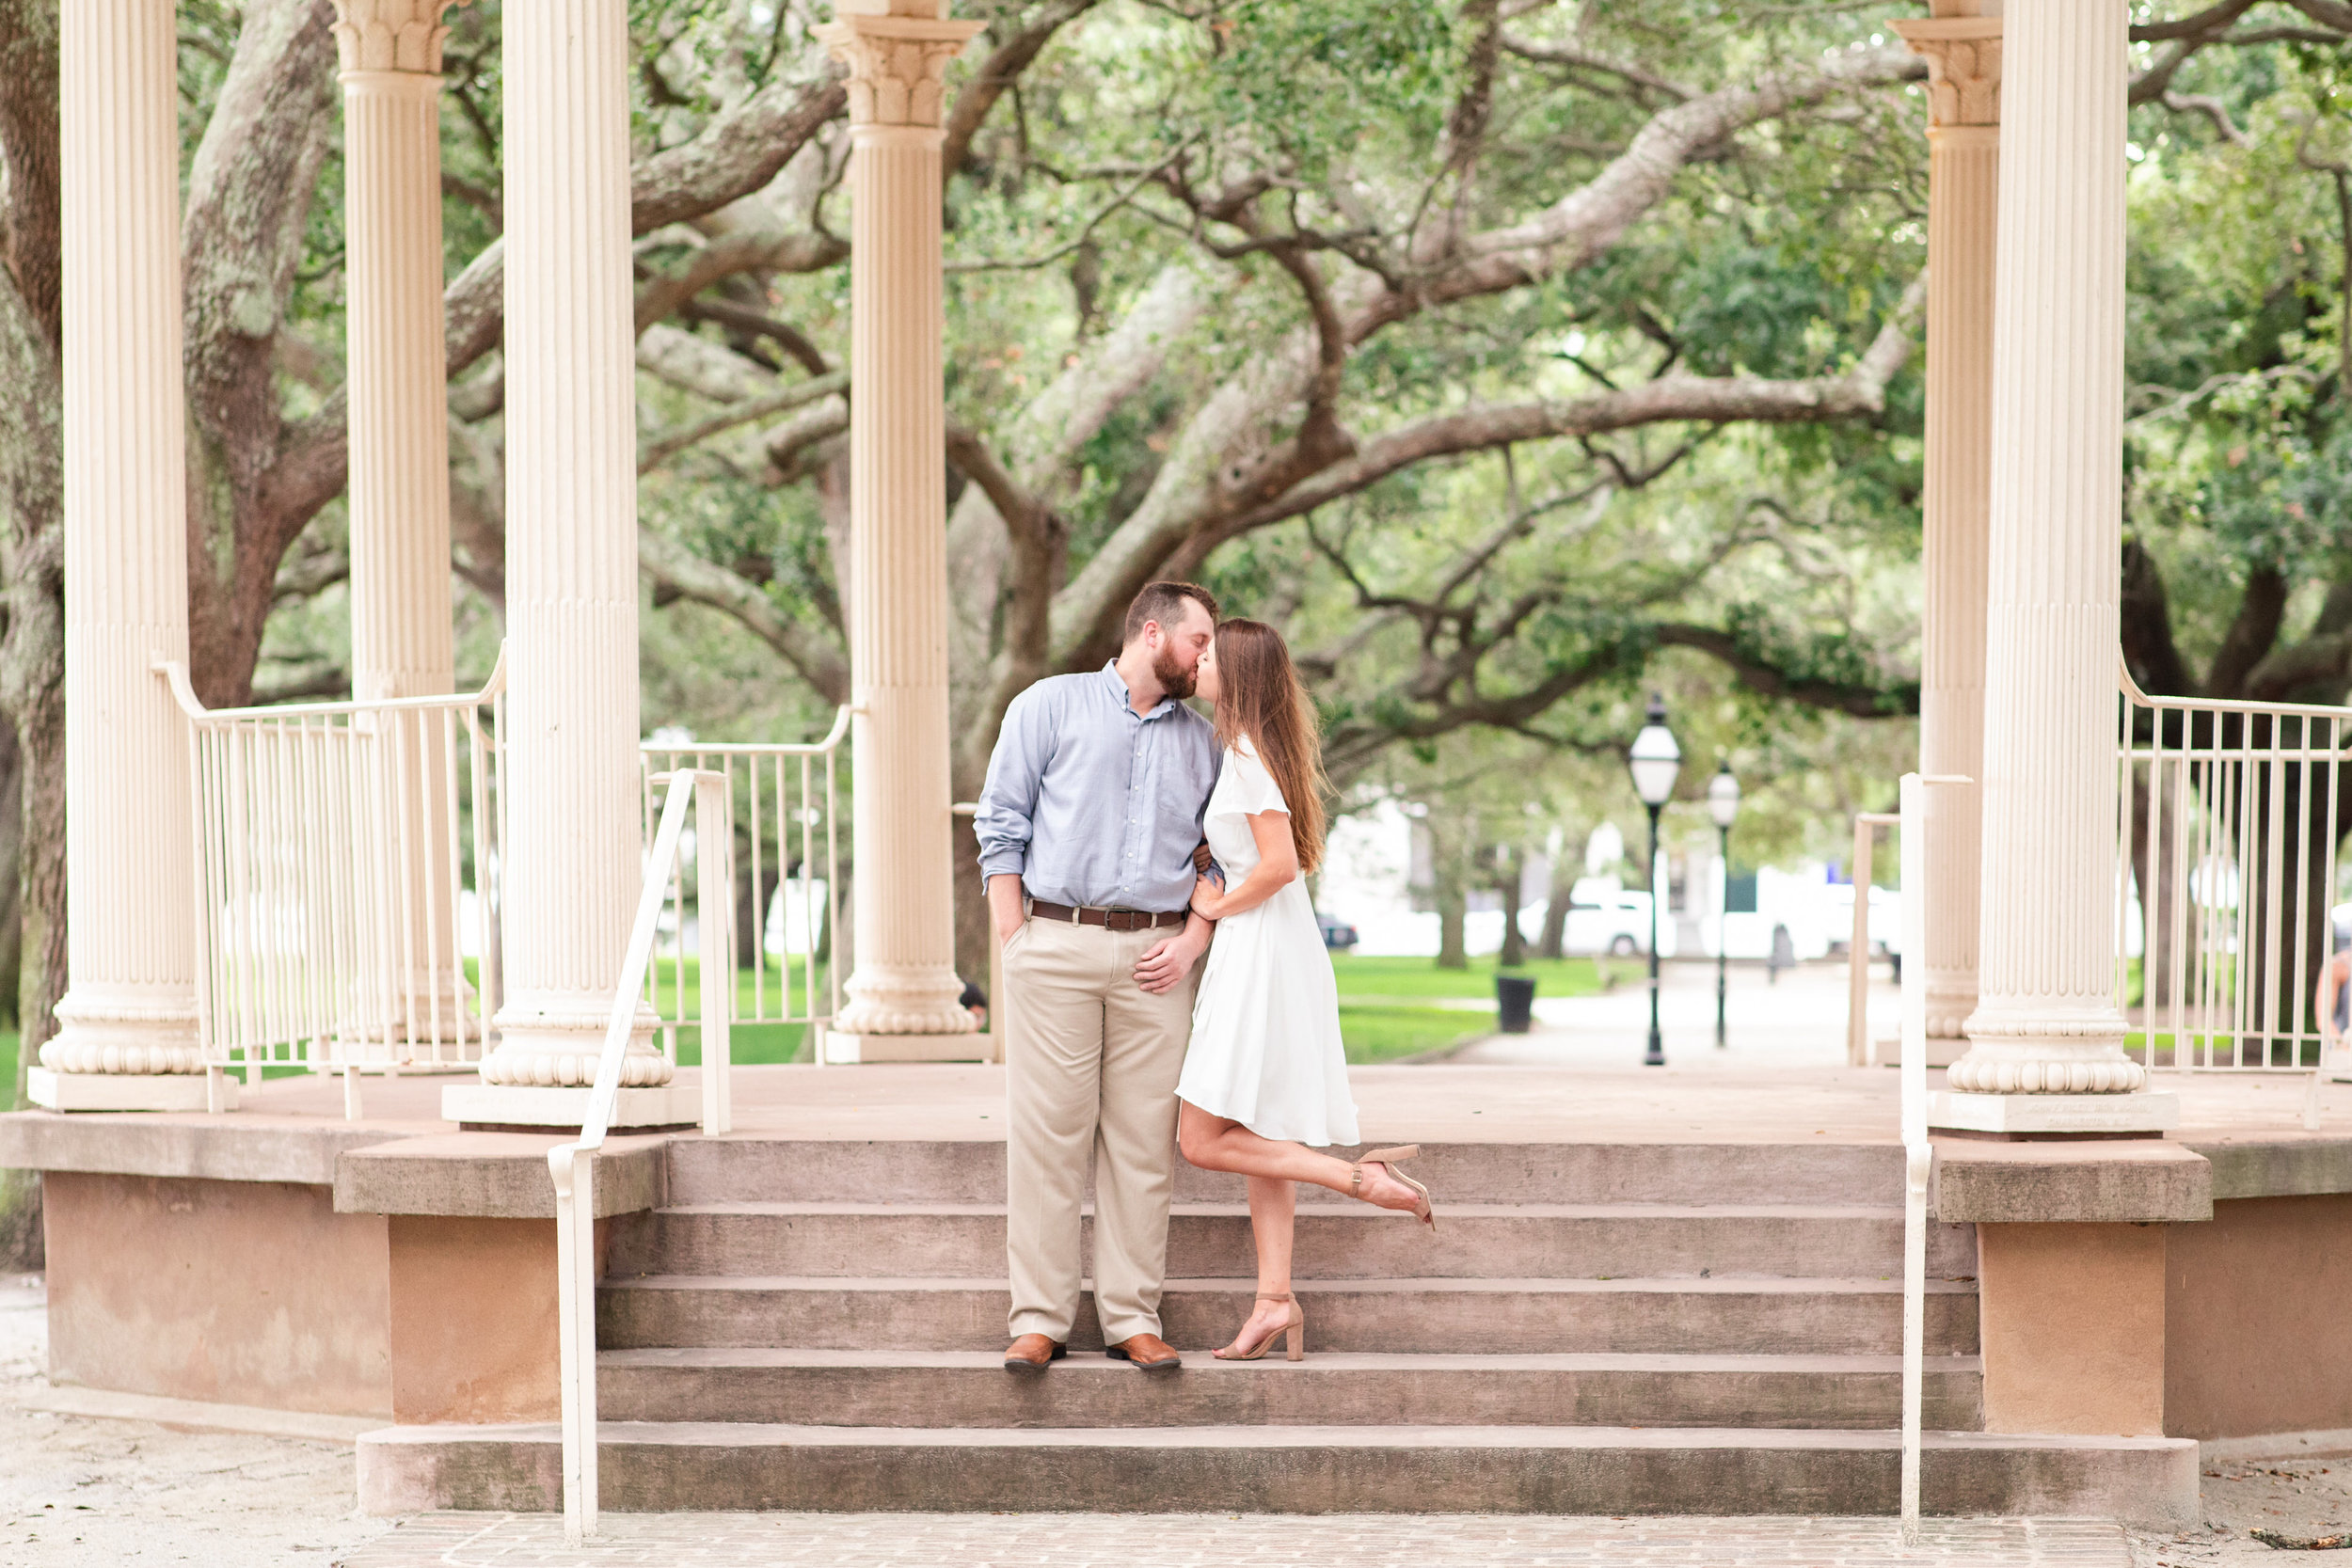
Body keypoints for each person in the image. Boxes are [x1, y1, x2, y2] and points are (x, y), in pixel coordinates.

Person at [974, 581, 1224, 1374]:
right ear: (1153, 632)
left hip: (1158, 959)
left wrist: (1191, 943)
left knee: (1144, 1145)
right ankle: (1040, 1318)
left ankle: (1130, 1317)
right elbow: (1001, 820)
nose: (1208, 658)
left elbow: (1219, 859)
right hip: (1057, 942)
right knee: (1047, 1139)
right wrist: (1016, 934)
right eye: (1199, 642)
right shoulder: (1048, 705)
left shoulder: (1206, 742)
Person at [1174, 619, 1436, 1364]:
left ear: (1238, 672)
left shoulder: (1249, 755)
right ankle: (1274, 1298)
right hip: (1274, 950)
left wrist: (1213, 905)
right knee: (1263, 1135)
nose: (1196, 662)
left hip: (1258, 953)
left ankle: (1359, 1177)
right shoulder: (1250, 752)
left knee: (1201, 1138)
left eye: (1209, 654)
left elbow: (1280, 864)